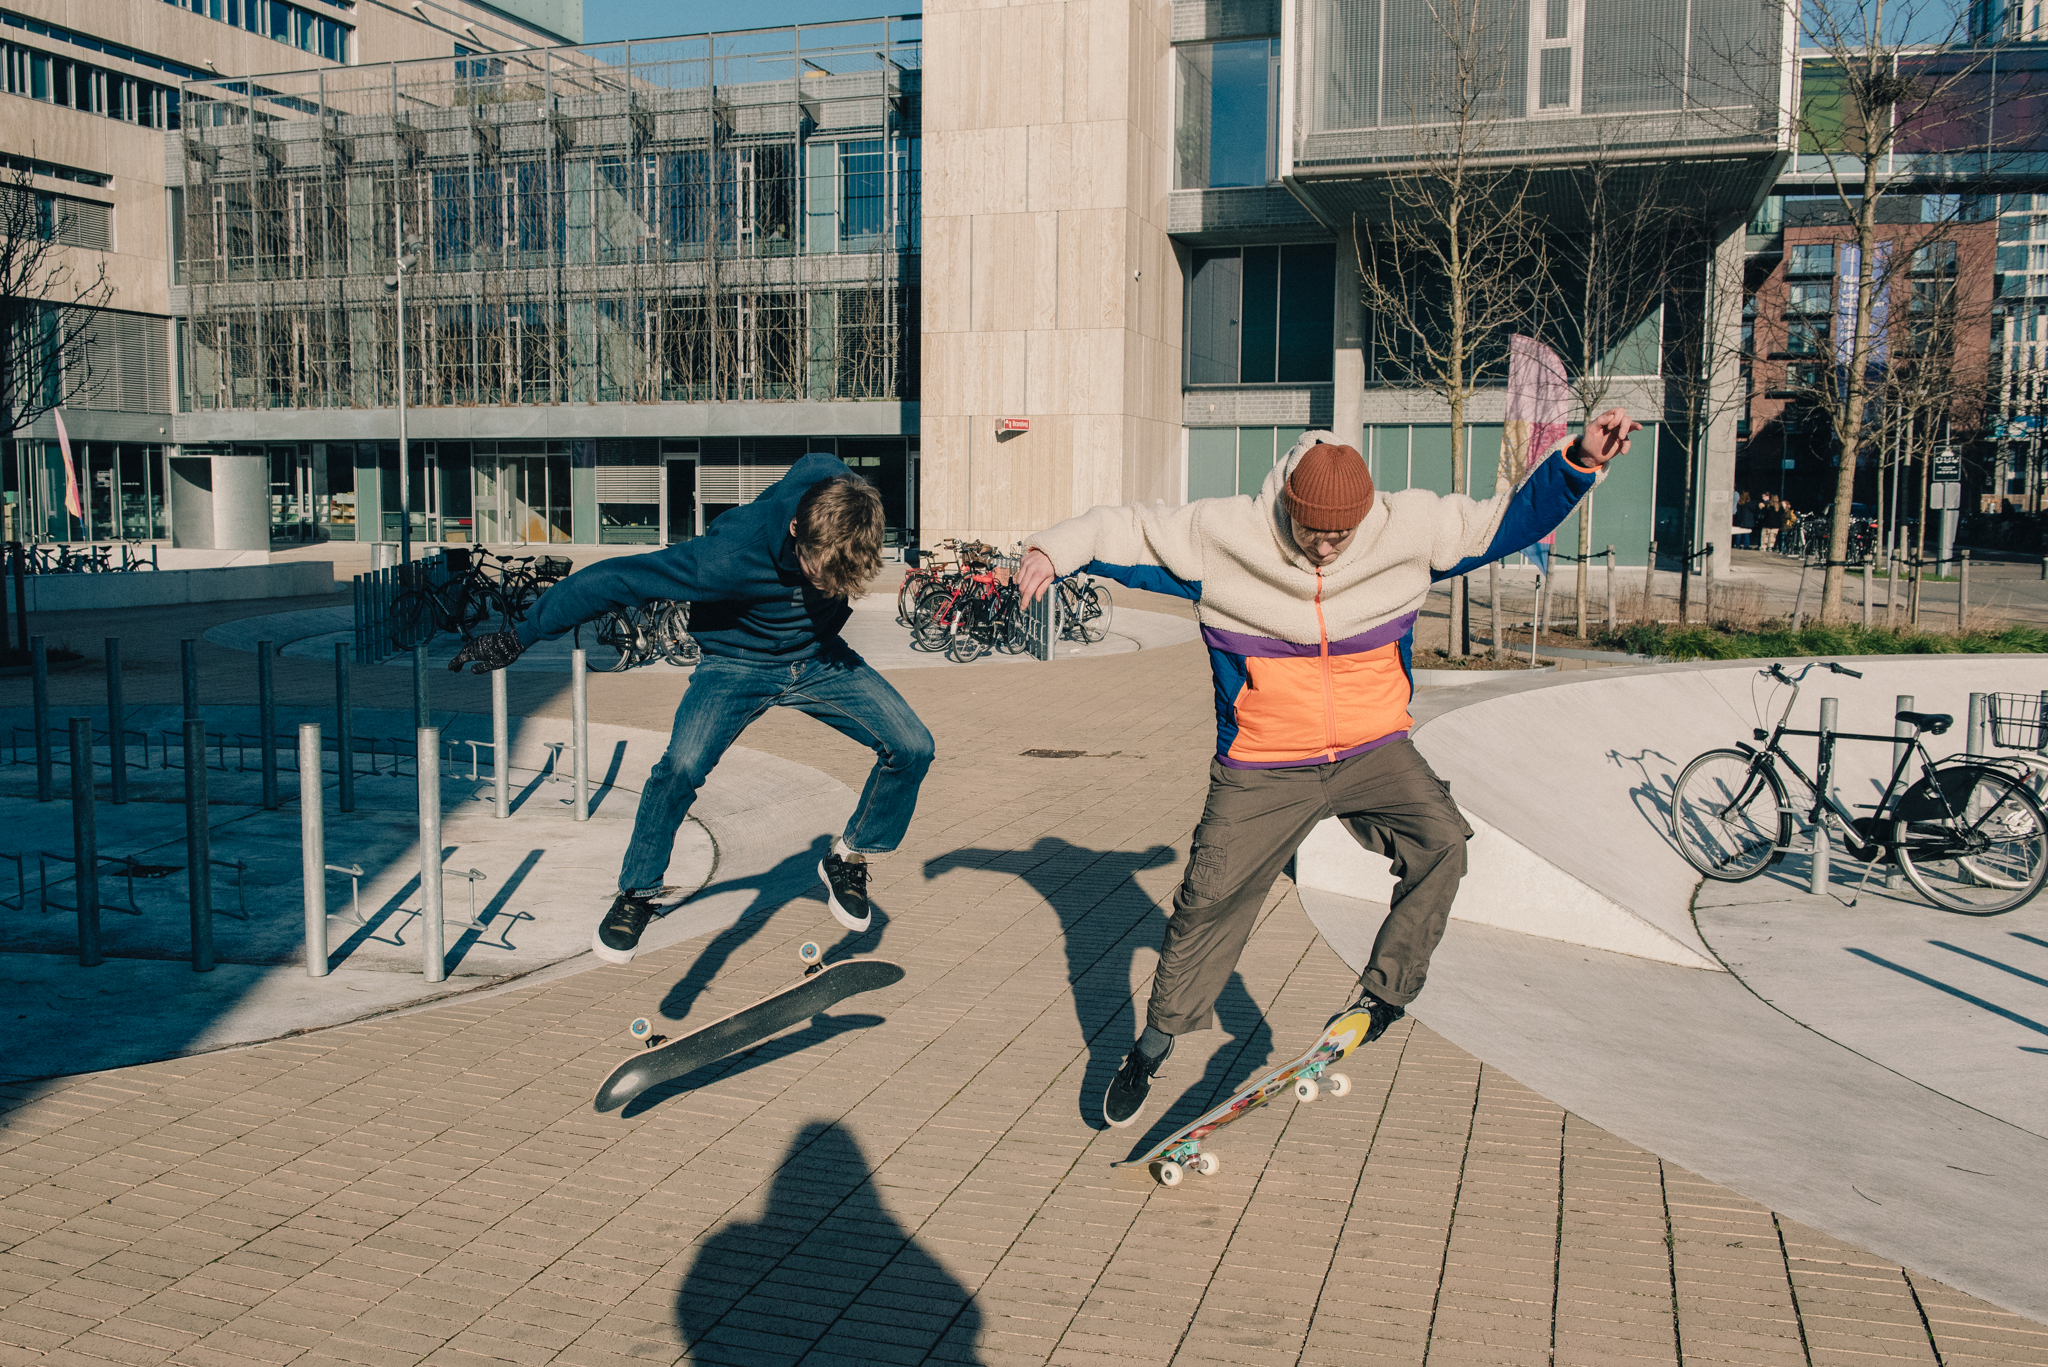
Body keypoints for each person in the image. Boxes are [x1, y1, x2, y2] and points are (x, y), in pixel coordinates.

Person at [1016, 416, 1638, 1127]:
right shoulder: (1230, 534)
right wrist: (1051, 551)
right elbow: (1128, 529)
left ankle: (1382, 997)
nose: (1325, 547)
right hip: (1264, 764)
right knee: (1205, 901)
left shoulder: (1409, 528)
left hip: (1373, 751)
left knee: (1443, 840)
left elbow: (1507, 520)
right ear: (1287, 504)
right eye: (1312, 532)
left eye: (1339, 535)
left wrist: (1580, 461)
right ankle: (1152, 1048)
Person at [448, 454, 935, 964]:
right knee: (678, 770)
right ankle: (637, 894)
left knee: (913, 746)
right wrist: (520, 634)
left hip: (818, 659)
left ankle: (848, 856)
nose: (822, 586)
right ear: (795, 529)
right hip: (735, 667)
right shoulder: (728, 555)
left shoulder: (853, 514)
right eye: (817, 572)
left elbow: (817, 463)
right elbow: (612, 580)